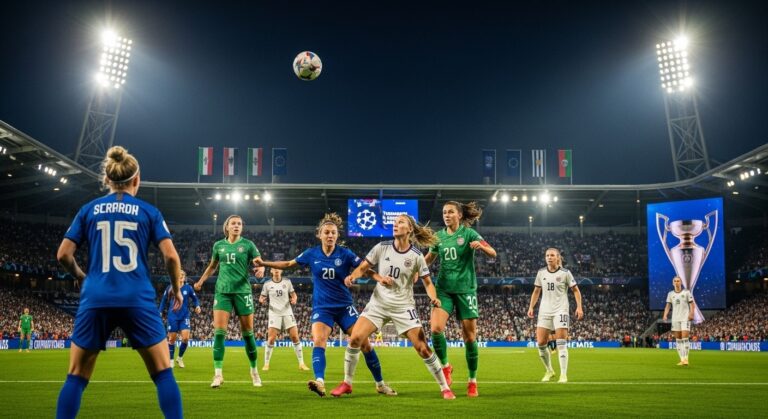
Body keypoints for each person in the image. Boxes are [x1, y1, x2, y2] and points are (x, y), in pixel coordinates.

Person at [55, 146, 183, 419]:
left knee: (76, 377)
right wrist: (176, 288)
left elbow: (63, 254)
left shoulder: (88, 210)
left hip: (96, 297)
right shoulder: (149, 212)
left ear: (107, 180)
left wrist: (80, 276)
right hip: (136, 297)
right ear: (137, 179)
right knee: (163, 373)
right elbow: (171, 257)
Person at [254, 213, 395, 397]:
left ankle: (380, 384)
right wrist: (264, 262)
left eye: (333, 233)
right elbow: (288, 264)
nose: (330, 235)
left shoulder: (345, 254)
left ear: (337, 235)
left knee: (364, 344)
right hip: (322, 307)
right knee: (319, 340)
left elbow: (363, 269)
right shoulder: (311, 254)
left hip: (344, 306)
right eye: (326, 232)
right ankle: (319, 381)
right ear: (319, 234)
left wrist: (379, 278)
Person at [330, 215, 455, 400]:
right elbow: (363, 267)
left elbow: (428, 283)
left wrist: (434, 298)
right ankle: (347, 383)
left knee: (422, 348)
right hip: (378, 304)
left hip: (403, 306)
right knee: (355, 338)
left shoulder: (416, 256)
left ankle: (444, 387)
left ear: (410, 229)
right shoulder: (382, 247)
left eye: (400, 222)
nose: (396, 225)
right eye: (394, 223)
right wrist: (353, 276)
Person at [425, 201, 496, 397]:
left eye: (450, 212)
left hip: (466, 290)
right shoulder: (438, 237)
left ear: (459, 215)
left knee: (470, 337)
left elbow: (493, 252)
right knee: (435, 329)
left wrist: (480, 247)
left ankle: (472, 381)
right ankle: (446, 366)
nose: (446, 215)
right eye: (444, 212)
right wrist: (416, 270)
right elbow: (429, 259)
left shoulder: (469, 233)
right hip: (444, 289)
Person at [194, 215, 265, 388]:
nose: (236, 226)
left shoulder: (248, 245)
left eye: (239, 224)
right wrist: (201, 281)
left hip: (242, 291)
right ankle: (218, 374)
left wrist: (261, 269)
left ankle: (254, 371)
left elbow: (259, 263)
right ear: (227, 227)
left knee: (248, 334)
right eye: (233, 223)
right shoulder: (218, 245)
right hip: (223, 292)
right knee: (219, 332)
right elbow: (212, 266)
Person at [527, 247, 584, 384]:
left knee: (561, 343)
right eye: (547, 255)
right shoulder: (541, 273)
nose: (549, 257)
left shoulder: (565, 273)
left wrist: (579, 307)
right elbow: (536, 291)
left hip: (561, 310)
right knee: (541, 343)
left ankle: (563, 375)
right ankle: (549, 370)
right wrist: (531, 307)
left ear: (558, 257)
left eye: (552, 255)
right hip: (544, 311)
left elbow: (576, 290)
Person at [258, 267, 310, 371]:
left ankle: (301, 363)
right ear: (271, 271)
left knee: (295, 337)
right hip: (274, 312)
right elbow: (261, 297)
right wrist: (261, 300)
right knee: (271, 339)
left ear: (281, 271)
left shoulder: (287, 282)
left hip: (287, 311)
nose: (276, 270)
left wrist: (294, 299)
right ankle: (266, 364)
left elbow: (294, 295)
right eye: (274, 268)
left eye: (278, 268)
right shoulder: (267, 284)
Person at [159, 270, 201, 368]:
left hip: (184, 316)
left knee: (186, 338)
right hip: (172, 316)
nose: (182, 276)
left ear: (185, 277)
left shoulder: (188, 288)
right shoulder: (170, 288)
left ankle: (180, 358)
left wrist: (197, 306)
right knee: (172, 339)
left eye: (183, 275)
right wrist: (160, 311)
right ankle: (171, 360)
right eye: (180, 275)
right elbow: (163, 301)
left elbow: (195, 299)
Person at [662, 276, 695, 366]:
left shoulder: (686, 292)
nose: (676, 282)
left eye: (678, 281)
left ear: (681, 283)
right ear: (673, 283)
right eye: (675, 281)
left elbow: (692, 304)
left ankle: (686, 359)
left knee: (685, 338)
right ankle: (682, 359)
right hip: (675, 319)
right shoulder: (670, 294)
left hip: (685, 318)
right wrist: (665, 315)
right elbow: (668, 306)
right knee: (678, 339)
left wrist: (691, 314)